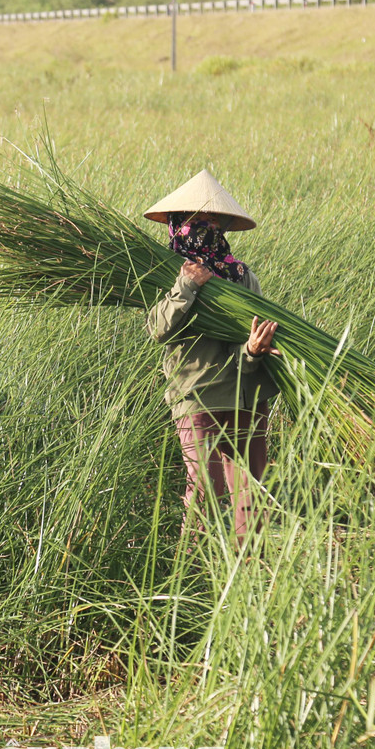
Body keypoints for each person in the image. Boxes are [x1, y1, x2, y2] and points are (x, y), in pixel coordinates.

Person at [143, 169, 280, 546]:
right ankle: (191, 579)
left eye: (211, 221)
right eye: (193, 221)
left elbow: (249, 334)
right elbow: (158, 328)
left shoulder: (240, 276)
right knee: (205, 489)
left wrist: (252, 351)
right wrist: (186, 285)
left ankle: (252, 577)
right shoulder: (163, 272)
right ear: (176, 225)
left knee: (251, 496)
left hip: (247, 395)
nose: (203, 228)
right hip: (196, 395)